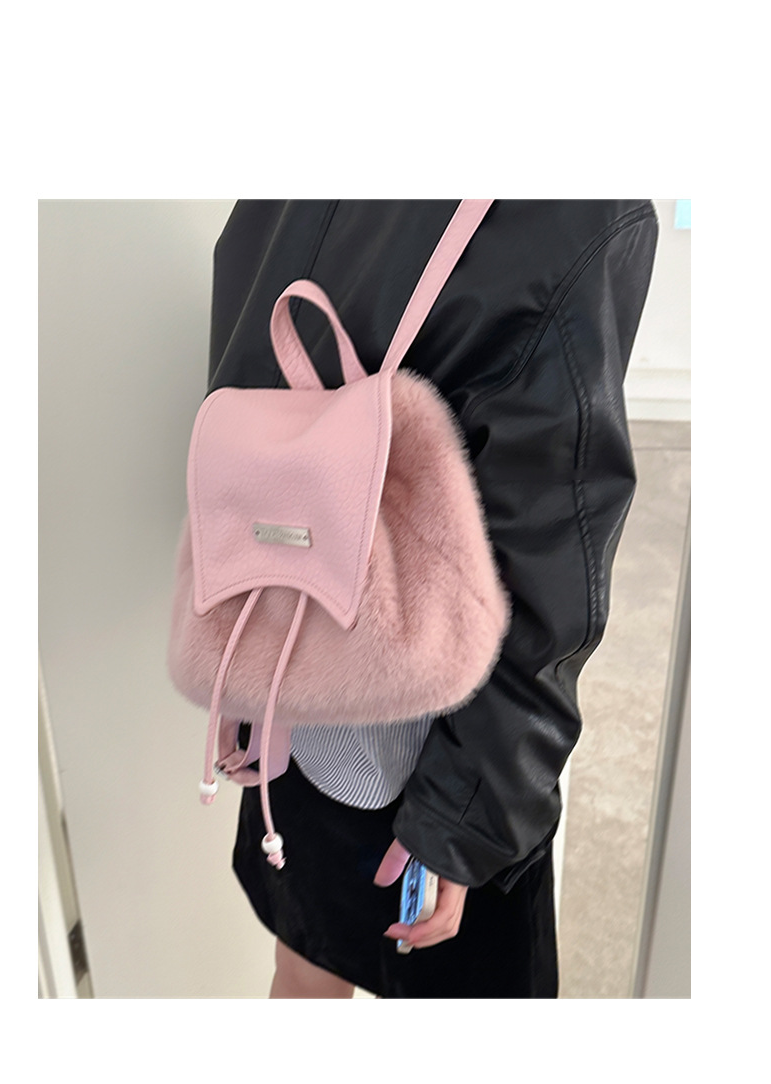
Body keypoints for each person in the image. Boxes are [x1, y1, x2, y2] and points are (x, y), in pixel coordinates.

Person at [205, 199, 658, 999]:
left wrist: (242, 670)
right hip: (435, 738)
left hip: (290, 679)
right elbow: (550, 548)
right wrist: (467, 811)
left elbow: (247, 376)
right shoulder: (579, 205)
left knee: (304, 971)